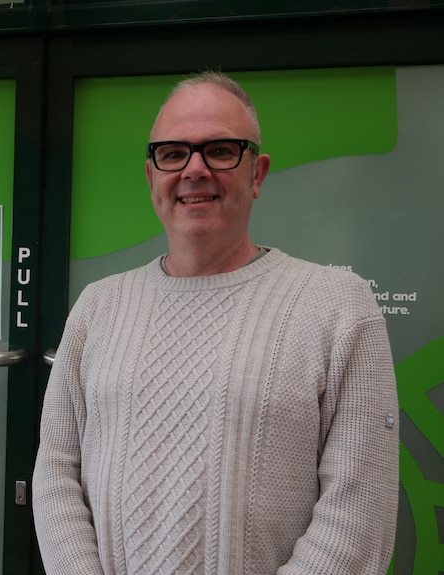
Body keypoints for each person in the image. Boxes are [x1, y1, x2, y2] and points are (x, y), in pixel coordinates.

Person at [32, 71, 399, 575]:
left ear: (257, 173)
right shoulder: (99, 307)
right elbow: (55, 474)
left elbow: (359, 513)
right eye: (172, 153)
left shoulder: (338, 307)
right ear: (150, 175)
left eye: (221, 150)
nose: (194, 169)